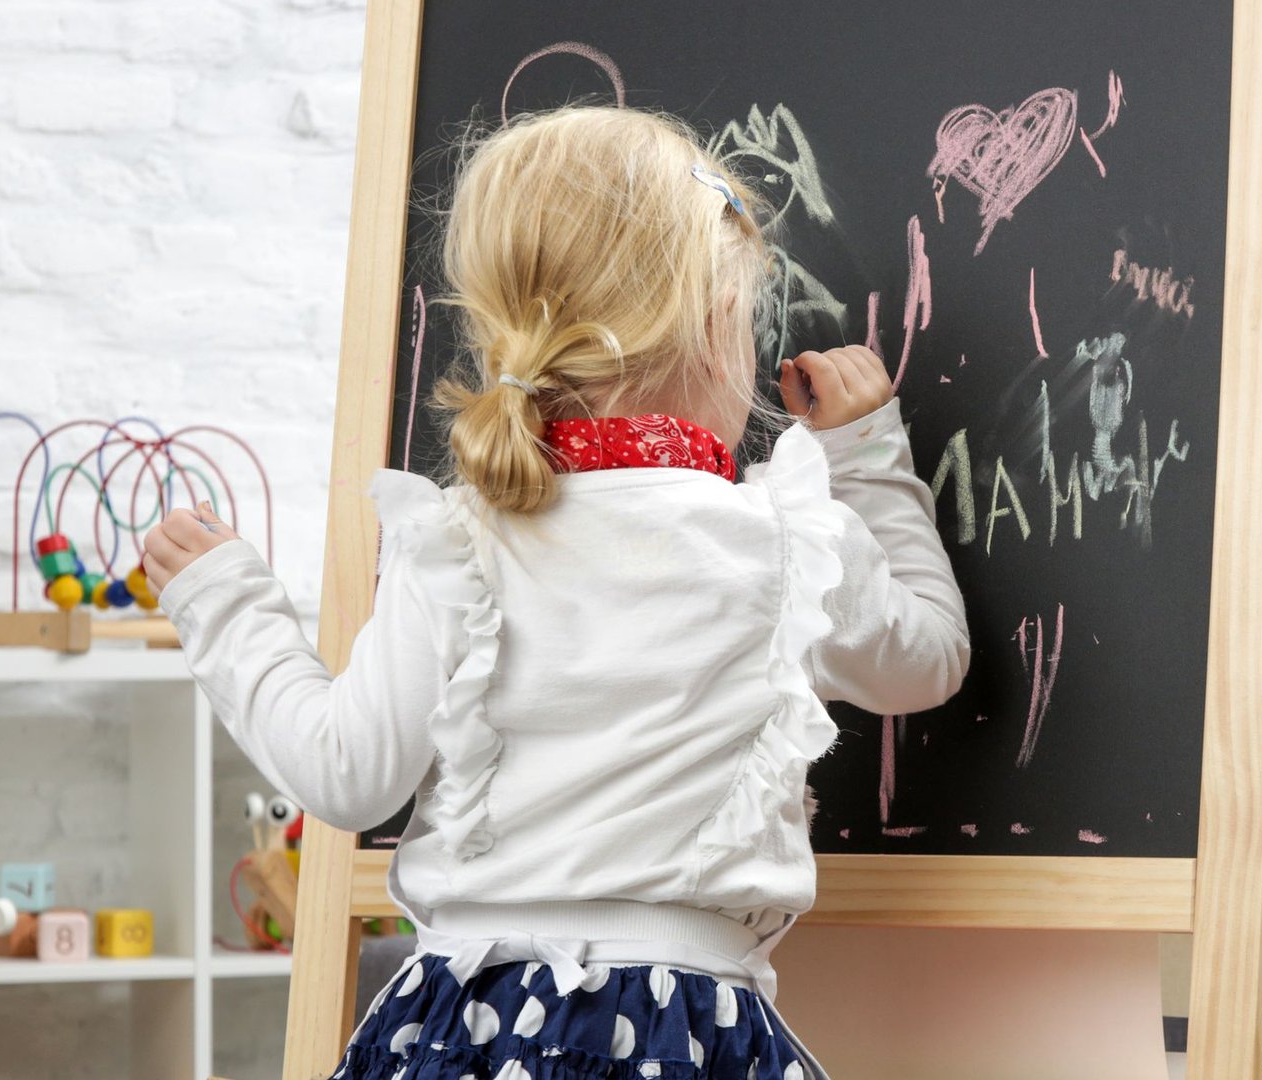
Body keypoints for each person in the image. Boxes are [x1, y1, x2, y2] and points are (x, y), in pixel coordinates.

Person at [145, 106, 968, 1080]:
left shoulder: (460, 538)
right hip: (686, 1031)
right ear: (714, 328)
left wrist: (226, 605)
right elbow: (929, 660)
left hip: (465, 1023)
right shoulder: (789, 540)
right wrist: (864, 454)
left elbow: (344, 774)